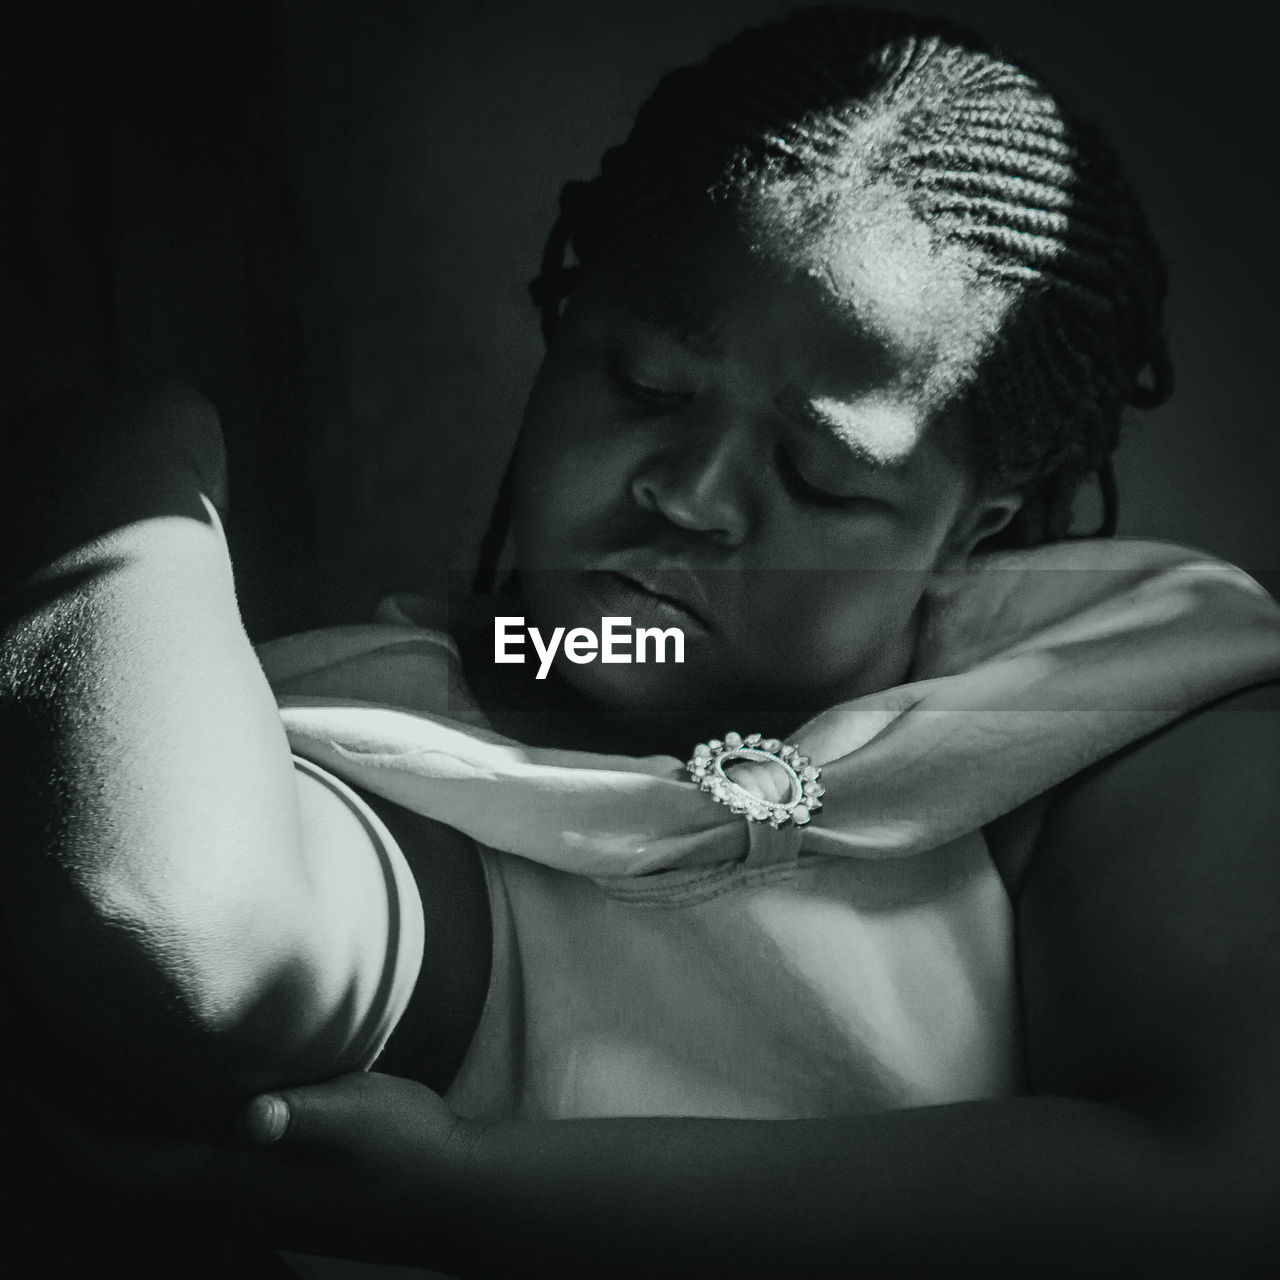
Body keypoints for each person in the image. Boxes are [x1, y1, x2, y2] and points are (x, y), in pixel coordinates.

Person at [5, 6, 1280, 1277]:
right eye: (643, 386)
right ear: (561, 330)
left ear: (970, 530)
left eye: (819, 474)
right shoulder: (415, 751)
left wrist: (467, 1195)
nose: (690, 493)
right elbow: (170, 918)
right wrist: (139, 454)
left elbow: (1228, 1189)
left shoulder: (1102, 683)